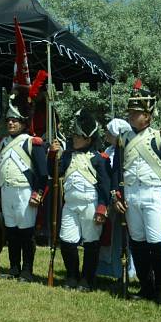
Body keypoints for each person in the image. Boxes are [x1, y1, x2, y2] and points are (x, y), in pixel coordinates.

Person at [112, 84, 161, 307]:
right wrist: (117, 196)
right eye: (130, 112)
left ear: (148, 116)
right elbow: (117, 169)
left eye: (136, 113)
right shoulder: (123, 139)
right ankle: (146, 287)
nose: (131, 116)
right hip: (131, 195)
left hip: (153, 194)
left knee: (158, 244)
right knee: (138, 244)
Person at [57, 110, 111, 291]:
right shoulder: (66, 155)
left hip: (91, 204)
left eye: (78, 135)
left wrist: (102, 207)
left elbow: (105, 186)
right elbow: (55, 173)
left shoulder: (99, 159)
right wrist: (53, 155)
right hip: (70, 204)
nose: (74, 138)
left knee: (91, 243)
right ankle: (72, 276)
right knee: (66, 240)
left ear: (88, 139)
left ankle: (87, 279)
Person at [0, 93, 48, 282]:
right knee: (11, 232)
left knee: (26, 233)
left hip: (24, 192)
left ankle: (27, 270)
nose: (11, 123)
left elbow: (43, 174)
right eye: (9, 120)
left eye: (15, 120)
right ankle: (13, 268)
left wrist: (38, 193)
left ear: (24, 123)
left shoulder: (32, 142)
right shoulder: (2, 143)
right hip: (7, 190)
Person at [97, 118, 135, 282]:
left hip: (125, 198)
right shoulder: (109, 150)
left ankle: (127, 272)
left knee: (127, 238)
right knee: (113, 237)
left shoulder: (126, 150)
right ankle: (114, 270)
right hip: (113, 200)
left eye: (109, 132)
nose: (106, 134)